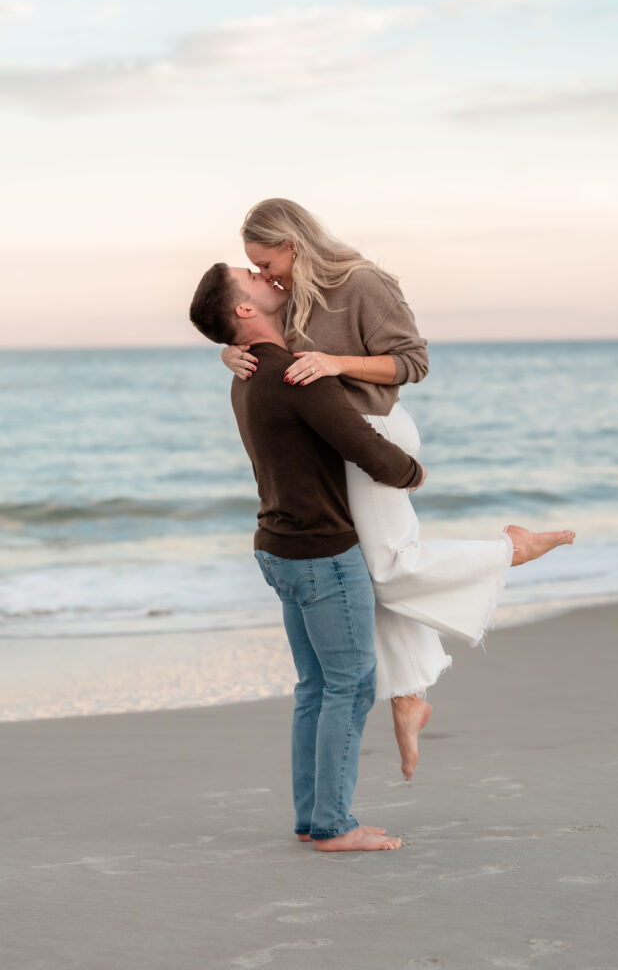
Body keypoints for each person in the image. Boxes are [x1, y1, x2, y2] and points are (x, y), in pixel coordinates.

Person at [222, 199, 575, 781]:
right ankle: (409, 696)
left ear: (294, 242)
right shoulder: (288, 297)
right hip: (334, 447)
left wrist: (336, 363)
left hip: (376, 436)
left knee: (388, 569)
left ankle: (511, 547)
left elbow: (413, 362)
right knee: (366, 572)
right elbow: (268, 345)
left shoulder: (363, 283)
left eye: (267, 261)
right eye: (254, 269)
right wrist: (229, 352)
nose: (265, 275)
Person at [189, 262, 430, 851]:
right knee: (349, 684)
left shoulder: (246, 373)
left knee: (318, 687)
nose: (261, 275)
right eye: (250, 275)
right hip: (321, 552)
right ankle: (332, 825)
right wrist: (413, 472)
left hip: (279, 549)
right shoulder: (298, 375)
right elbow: (365, 446)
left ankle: (314, 817)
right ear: (244, 310)